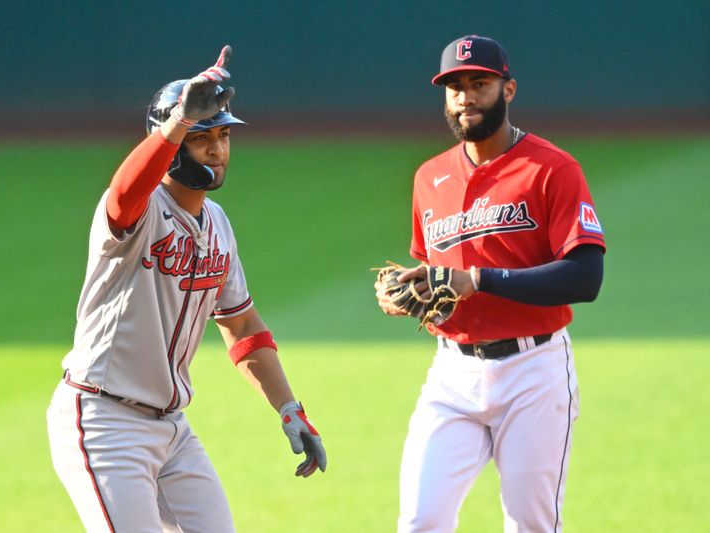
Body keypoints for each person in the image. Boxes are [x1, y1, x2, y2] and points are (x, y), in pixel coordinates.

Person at [46, 45, 326, 533]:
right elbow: (124, 193)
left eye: (222, 136)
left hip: (173, 430)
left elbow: (241, 325)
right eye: (202, 139)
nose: (218, 149)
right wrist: (177, 121)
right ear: (172, 143)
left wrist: (288, 408)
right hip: (104, 420)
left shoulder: (216, 222)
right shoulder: (139, 211)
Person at [375, 35, 605, 532]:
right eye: (455, 86)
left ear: (509, 89)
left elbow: (586, 277)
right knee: (420, 520)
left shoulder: (553, 168)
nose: (466, 96)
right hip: (452, 376)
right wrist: (402, 293)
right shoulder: (429, 177)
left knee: (530, 526)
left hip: (534, 371)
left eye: (479, 83)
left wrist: (479, 279)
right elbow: (434, 281)